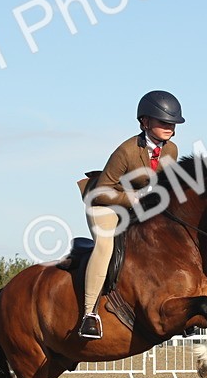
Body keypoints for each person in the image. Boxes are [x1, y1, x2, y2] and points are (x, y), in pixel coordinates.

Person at [77, 91, 183, 339]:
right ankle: (89, 314)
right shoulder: (126, 150)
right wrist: (135, 198)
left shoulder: (172, 150)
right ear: (145, 122)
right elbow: (103, 190)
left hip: (140, 206)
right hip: (106, 203)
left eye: (172, 123)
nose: (169, 127)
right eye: (163, 122)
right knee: (105, 246)